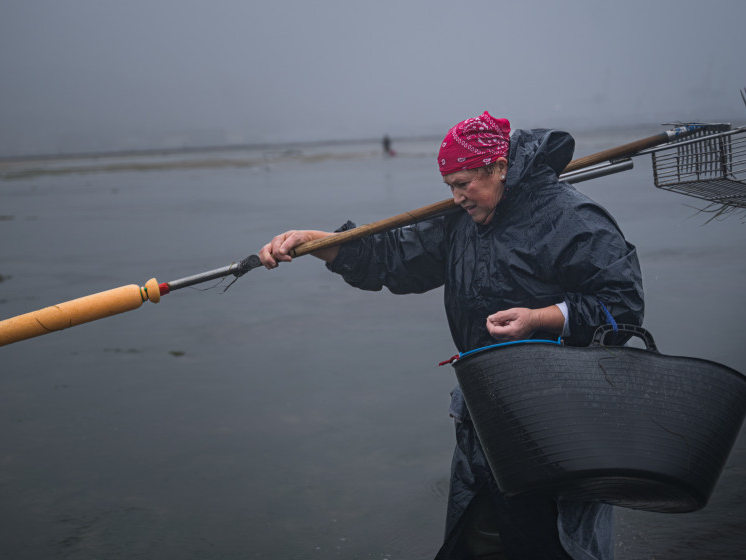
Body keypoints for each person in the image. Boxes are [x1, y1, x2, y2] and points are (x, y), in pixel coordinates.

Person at [259, 111, 644, 559]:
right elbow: (395, 259)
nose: (458, 197)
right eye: (449, 186)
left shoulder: (572, 218)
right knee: (479, 538)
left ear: (500, 167)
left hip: (560, 421)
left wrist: (540, 318)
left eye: (465, 183)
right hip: (486, 411)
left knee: (551, 543)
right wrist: (320, 242)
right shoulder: (461, 221)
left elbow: (622, 309)